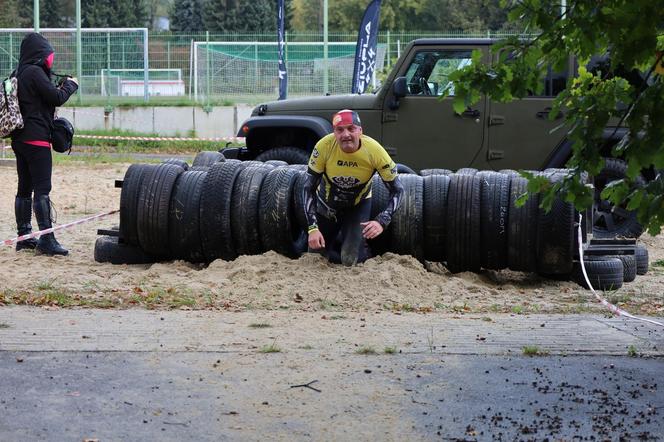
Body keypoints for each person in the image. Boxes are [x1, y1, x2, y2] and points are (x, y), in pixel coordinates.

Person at [303, 109, 404, 266]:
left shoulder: (375, 151)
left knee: (350, 259)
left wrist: (382, 220)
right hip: (327, 204)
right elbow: (308, 188)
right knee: (314, 259)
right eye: (340, 130)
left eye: (351, 128)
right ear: (334, 133)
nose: (346, 135)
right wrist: (312, 228)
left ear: (360, 131)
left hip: (358, 205)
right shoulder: (324, 146)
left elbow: (398, 190)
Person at [11, 33, 78, 256]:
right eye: (49, 54)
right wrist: (70, 86)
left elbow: (40, 98)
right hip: (37, 138)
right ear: (40, 53)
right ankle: (47, 239)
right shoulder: (34, 72)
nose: (50, 59)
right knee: (42, 189)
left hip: (19, 139)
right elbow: (56, 98)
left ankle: (24, 237)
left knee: (24, 189)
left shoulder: (19, 72)